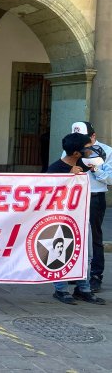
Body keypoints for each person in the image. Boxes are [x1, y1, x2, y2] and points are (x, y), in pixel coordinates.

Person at [46, 132, 105, 305]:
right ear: (76, 153)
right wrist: (67, 177)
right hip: (60, 220)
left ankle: (83, 289)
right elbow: (48, 194)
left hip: (81, 217)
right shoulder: (55, 169)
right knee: (60, 253)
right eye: (87, 148)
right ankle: (61, 290)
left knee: (86, 254)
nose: (90, 150)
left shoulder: (83, 164)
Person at [68, 122, 112, 292]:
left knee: (94, 237)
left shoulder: (107, 151)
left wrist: (95, 169)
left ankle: (95, 276)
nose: (78, 141)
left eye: (83, 138)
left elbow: (110, 178)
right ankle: (77, 274)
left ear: (93, 136)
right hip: (74, 197)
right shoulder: (71, 148)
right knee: (73, 234)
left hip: (95, 196)